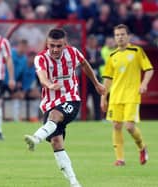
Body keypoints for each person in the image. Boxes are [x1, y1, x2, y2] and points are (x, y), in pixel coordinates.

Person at [24, 28, 105, 187]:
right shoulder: (40, 58)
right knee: (56, 142)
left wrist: (96, 83)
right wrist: (49, 84)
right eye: (52, 45)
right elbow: (42, 77)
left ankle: (35, 138)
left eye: (58, 46)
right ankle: (74, 182)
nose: (55, 49)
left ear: (65, 44)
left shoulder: (73, 53)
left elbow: (84, 64)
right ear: (47, 44)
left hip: (71, 99)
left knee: (55, 115)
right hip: (49, 102)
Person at [101, 24, 154, 166]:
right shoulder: (112, 56)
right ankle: (120, 159)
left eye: (122, 34)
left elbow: (149, 69)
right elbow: (107, 78)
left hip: (132, 95)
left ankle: (142, 147)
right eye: (117, 35)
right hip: (116, 96)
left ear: (128, 36)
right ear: (114, 37)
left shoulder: (137, 51)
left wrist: (144, 83)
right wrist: (103, 97)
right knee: (116, 126)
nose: (120, 37)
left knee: (129, 127)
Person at [85, 34, 104, 120]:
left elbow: (102, 61)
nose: (93, 43)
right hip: (86, 80)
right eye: (91, 41)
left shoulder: (98, 51)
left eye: (94, 41)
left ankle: (98, 118)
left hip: (96, 79)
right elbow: (84, 63)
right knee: (83, 99)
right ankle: (83, 118)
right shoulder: (84, 51)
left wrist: (93, 62)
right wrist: (93, 62)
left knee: (97, 99)